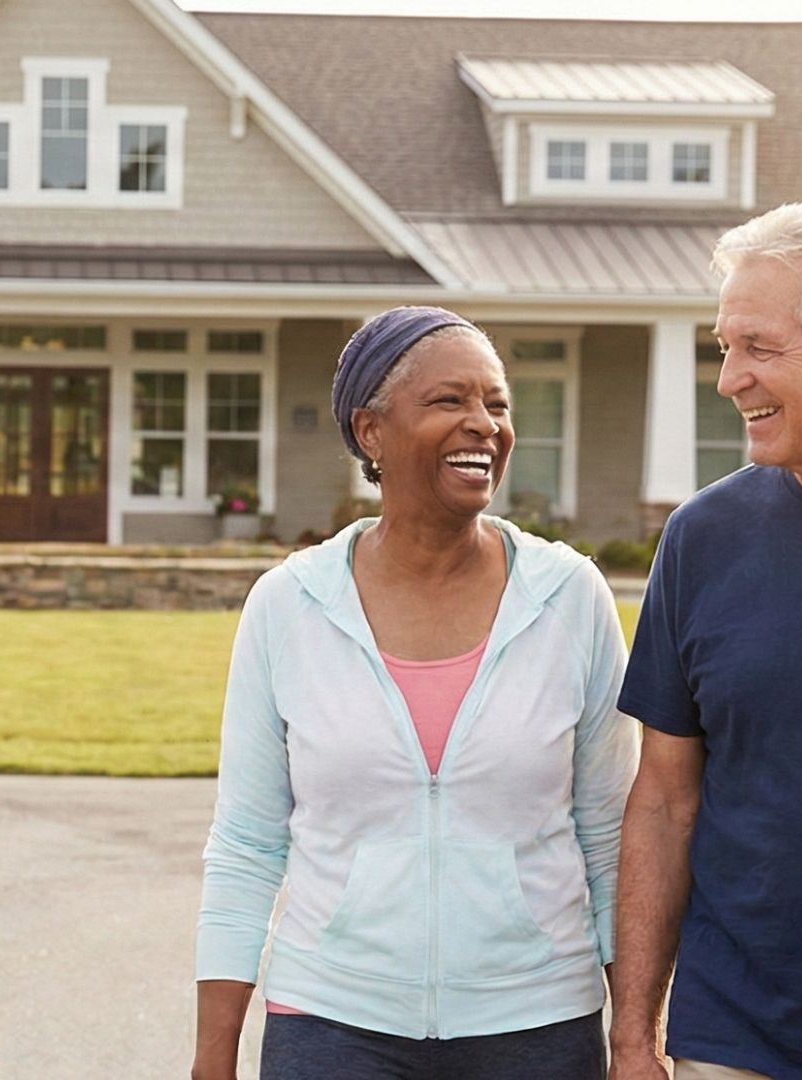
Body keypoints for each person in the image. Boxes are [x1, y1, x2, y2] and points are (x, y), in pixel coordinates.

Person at [192, 307, 638, 1080]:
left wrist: (634, 1038)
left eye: (496, 404)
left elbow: (610, 837)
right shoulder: (289, 605)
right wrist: (212, 1057)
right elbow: (247, 843)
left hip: (536, 1024)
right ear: (371, 432)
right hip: (332, 1025)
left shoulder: (569, 597)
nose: (484, 425)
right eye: (449, 402)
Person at [611, 200, 802, 1080]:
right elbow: (665, 801)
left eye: (759, 348)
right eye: (724, 349)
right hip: (737, 1036)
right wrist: (633, 1033)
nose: (728, 380)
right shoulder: (703, 538)